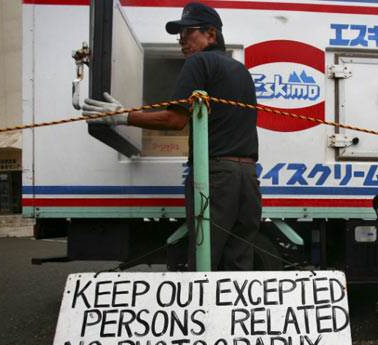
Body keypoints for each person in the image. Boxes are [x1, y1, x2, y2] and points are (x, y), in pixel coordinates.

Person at [82, 2, 261, 272]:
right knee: (238, 262)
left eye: (188, 34)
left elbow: (175, 120)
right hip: (248, 177)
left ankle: (204, 315)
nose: (182, 42)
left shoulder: (199, 62)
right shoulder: (242, 72)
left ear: (211, 35)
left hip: (215, 178)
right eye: (180, 37)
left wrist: (122, 116)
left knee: (204, 260)